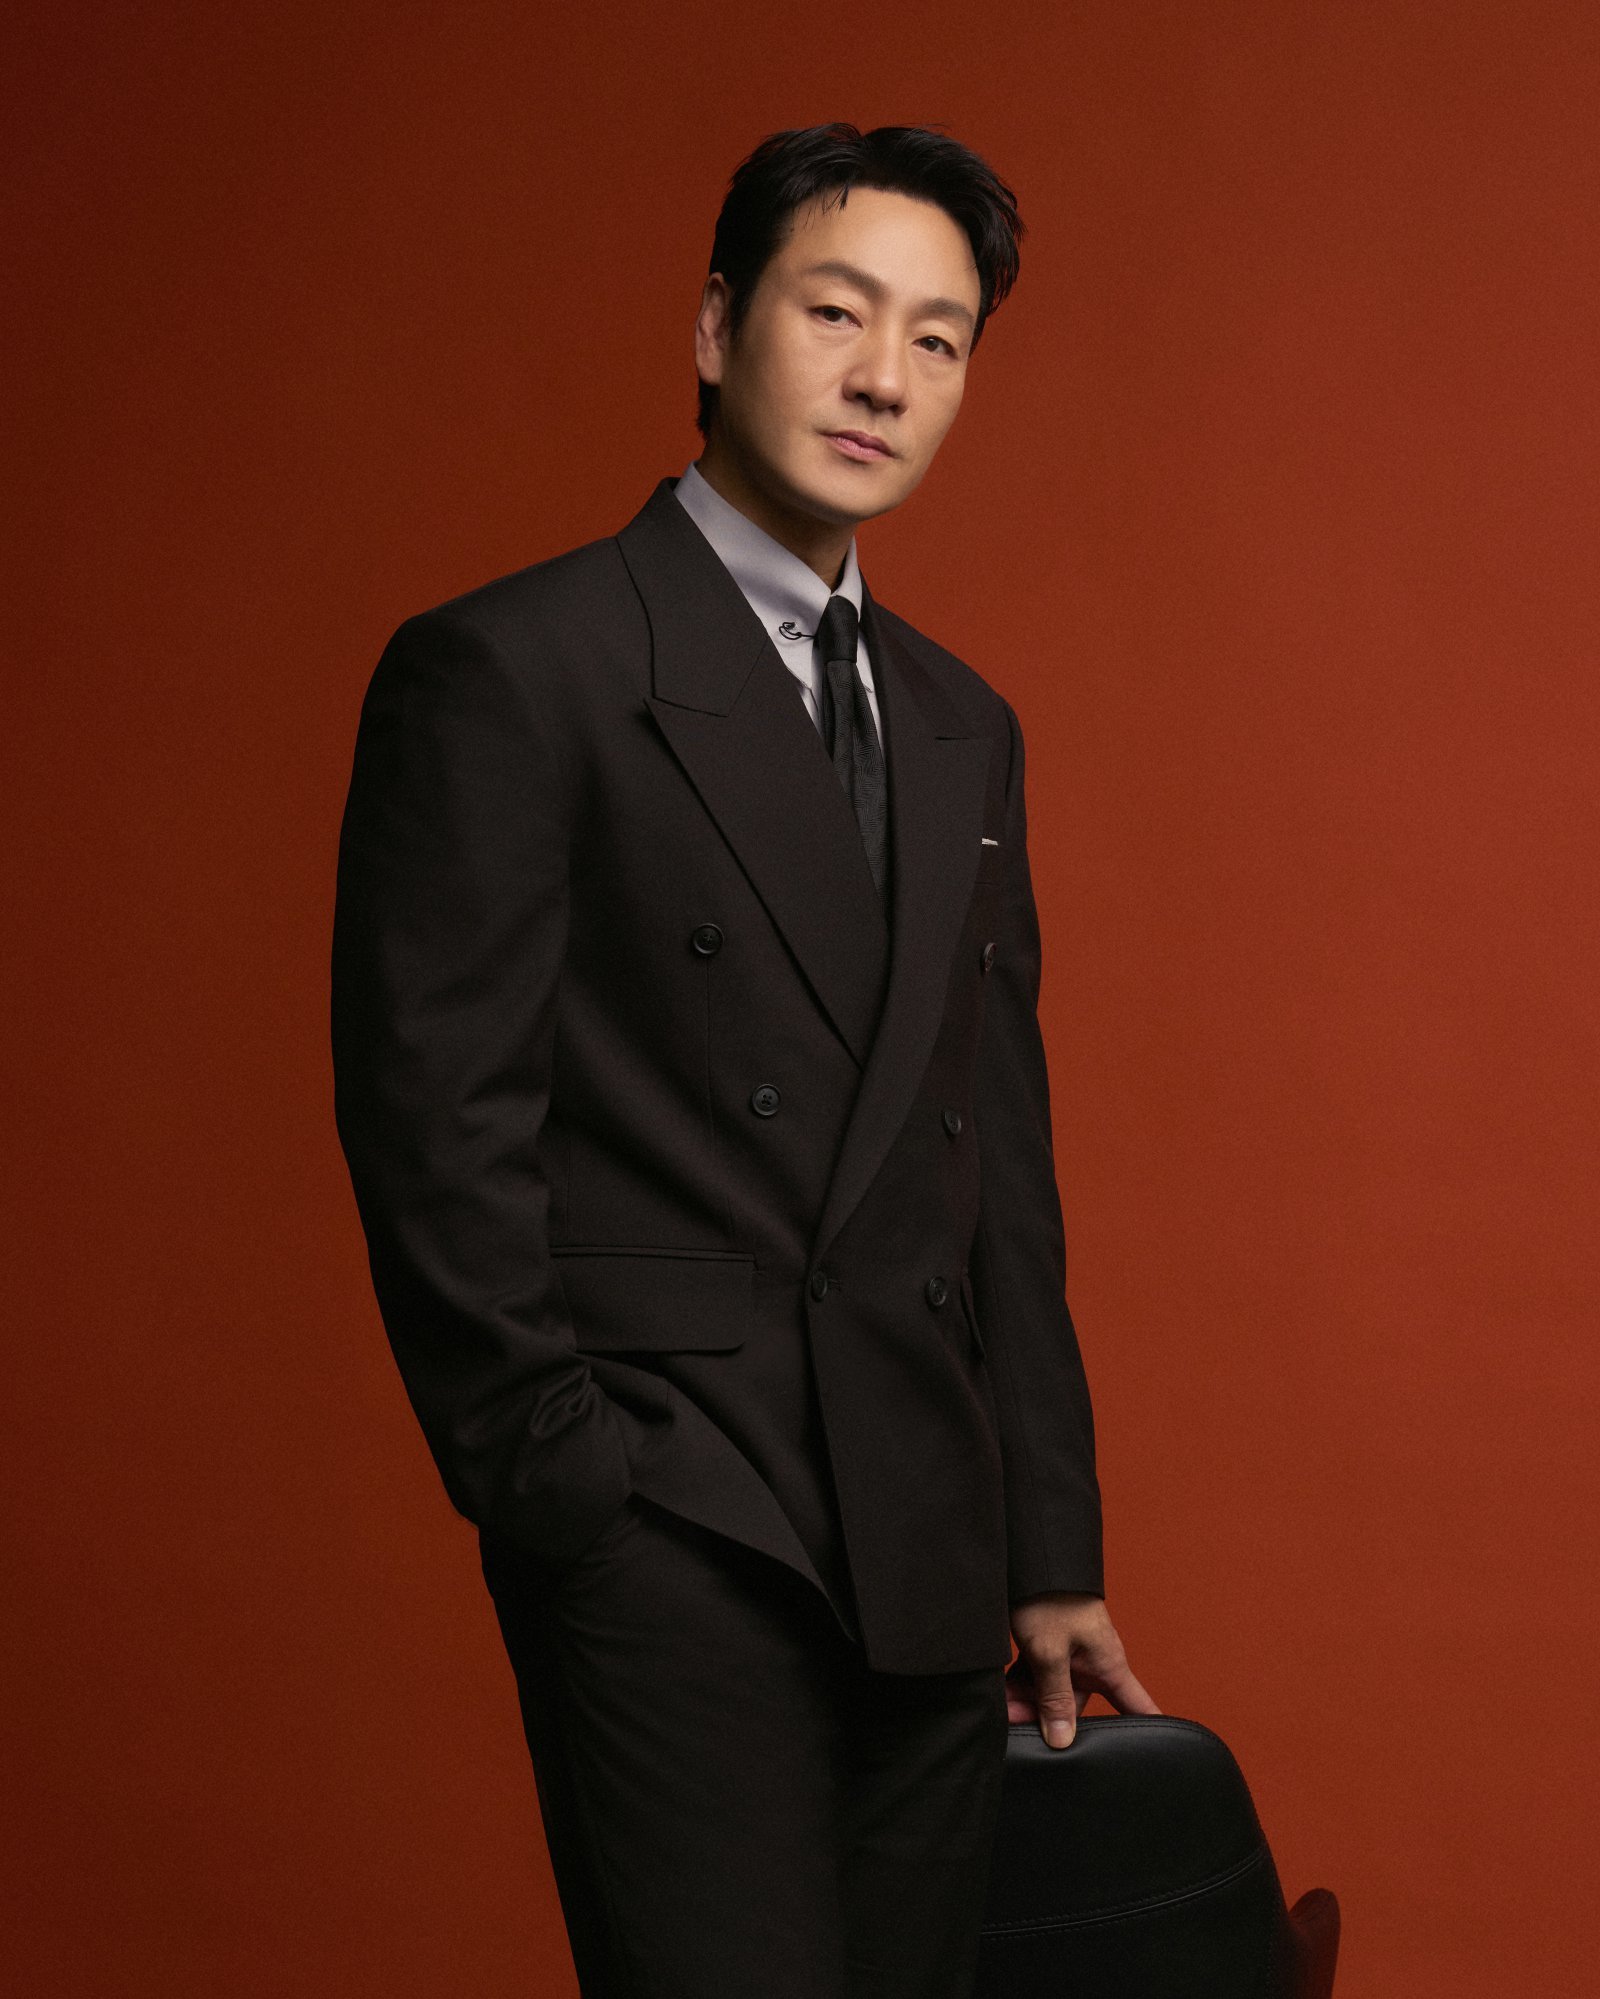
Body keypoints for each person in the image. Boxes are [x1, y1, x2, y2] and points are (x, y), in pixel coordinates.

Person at [331, 121, 1157, 1999]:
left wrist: (1049, 1546)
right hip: (675, 1519)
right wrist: (566, 1495)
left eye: (939, 339)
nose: (885, 377)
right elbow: (434, 1122)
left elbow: (991, 1155)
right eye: (836, 312)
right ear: (717, 329)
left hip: (928, 1537)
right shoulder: (517, 668)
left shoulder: (959, 723)